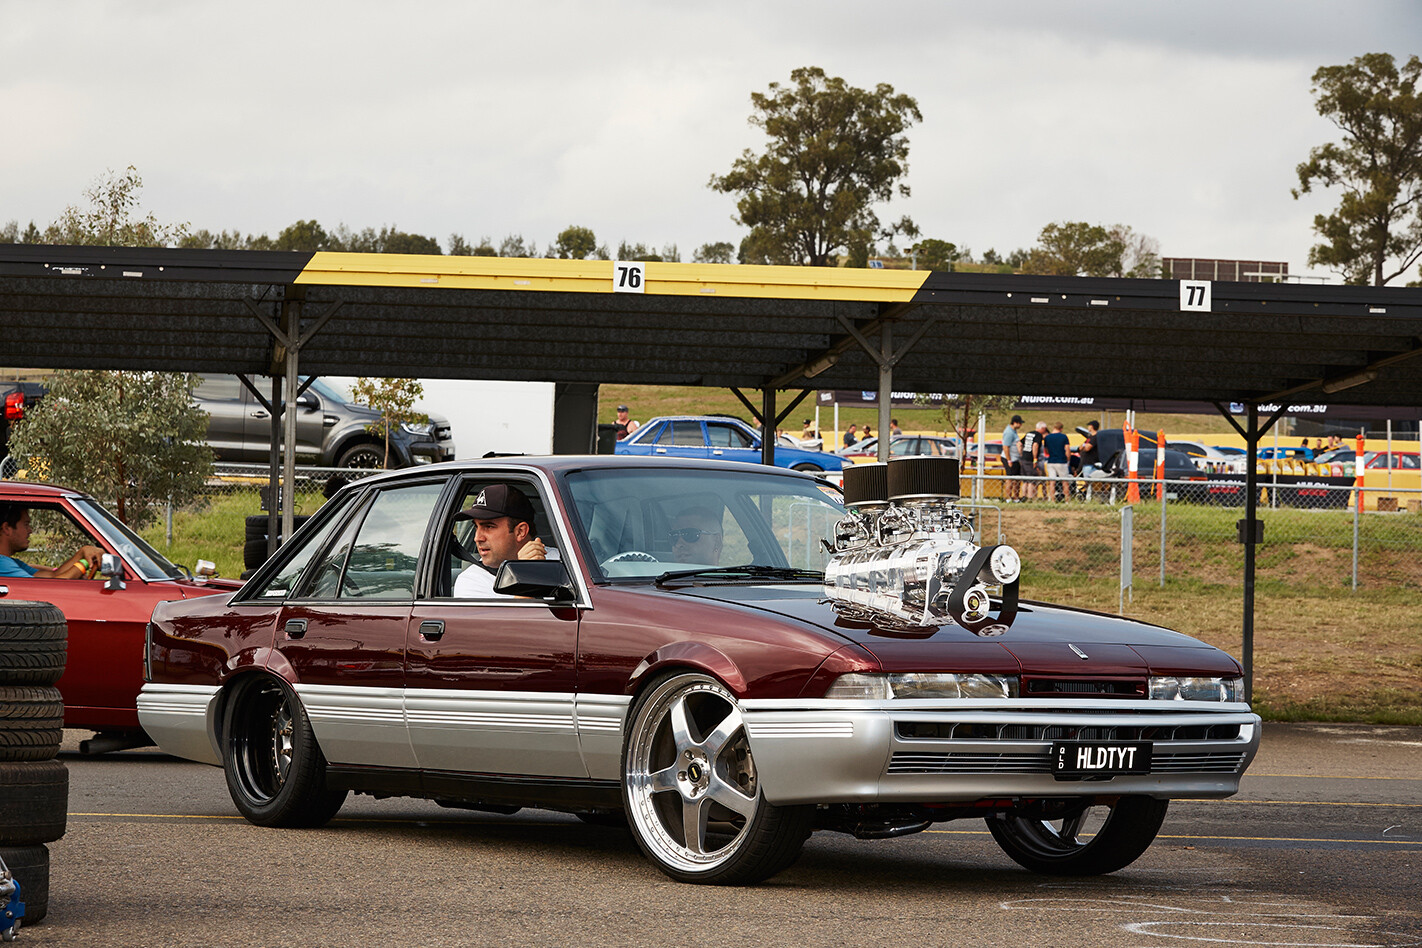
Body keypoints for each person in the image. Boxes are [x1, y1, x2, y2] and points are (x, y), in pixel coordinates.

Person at [452, 484, 546, 597]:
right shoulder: (471, 581)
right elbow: (520, 615)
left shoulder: (564, 562)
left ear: (521, 531)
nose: (477, 538)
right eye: (476, 527)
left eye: (489, 527)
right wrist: (525, 574)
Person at [0, 503, 104, 579]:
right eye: (26, 524)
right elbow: (51, 588)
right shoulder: (2, 564)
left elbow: (53, 576)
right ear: (6, 528)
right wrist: (85, 562)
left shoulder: (12, 563)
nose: (30, 530)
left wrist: (82, 554)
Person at [1043, 422, 1072, 501]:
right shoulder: (1063, 437)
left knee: (1052, 482)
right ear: (1061, 429)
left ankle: (1052, 499)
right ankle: (1067, 500)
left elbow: (1046, 450)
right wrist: (1068, 460)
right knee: (1065, 482)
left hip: (1051, 461)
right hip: (1061, 461)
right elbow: (1067, 450)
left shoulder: (1047, 437)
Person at [1000, 415, 1023, 501]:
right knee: (1010, 478)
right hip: (1010, 459)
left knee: (1017, 479)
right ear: (1015, 423)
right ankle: (1008, 497)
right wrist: (1009, 460)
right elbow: (1006, 447)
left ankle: (1016, 497)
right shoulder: (1009, 432)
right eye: (1020, 423)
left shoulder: (1013, 431)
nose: (1021, 426)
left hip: (1015, 458)